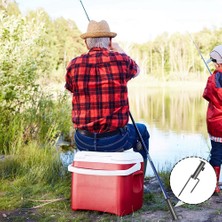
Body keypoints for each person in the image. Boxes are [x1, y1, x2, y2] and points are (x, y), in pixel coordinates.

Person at [65, 20, 150, 176]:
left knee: (86, 135)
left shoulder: (73, 65)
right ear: (110, 41)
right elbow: (137, 70)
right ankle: (139, 179)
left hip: (83, 140)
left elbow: (71, 90)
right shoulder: (121, 60)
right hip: (115, 140)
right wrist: (118, 49)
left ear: (86, 43)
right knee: (142, 131)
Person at [203, 45, 222, 194]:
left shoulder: (212, 79)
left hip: (215, 122)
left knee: (217, 153)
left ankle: (213, 185)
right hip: (218, 122)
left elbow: (207, 95)